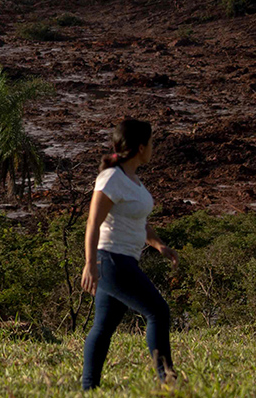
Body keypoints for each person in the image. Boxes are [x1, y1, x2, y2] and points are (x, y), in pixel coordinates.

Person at [80, 118, 179, 390]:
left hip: (121, 259)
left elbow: (138, 221)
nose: (153, 148)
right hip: (112, 260)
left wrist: (159, 244)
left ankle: (89, 389)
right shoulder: (111, 178)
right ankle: (168, 381)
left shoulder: (131, 180)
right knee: (158, 311)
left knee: (104, 326)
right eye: (151, 143)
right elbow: (93, 223)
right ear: (139, 147)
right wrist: (90, 264)